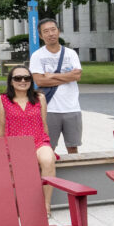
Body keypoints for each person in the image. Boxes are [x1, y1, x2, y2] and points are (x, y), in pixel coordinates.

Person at [0, 65, 56, 215]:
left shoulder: (39, 98)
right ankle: (20, 206)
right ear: (11, 81)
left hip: (38, 141)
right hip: (15, 145)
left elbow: (44, 123)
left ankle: (46, 204)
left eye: (27, 78)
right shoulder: (2, 100)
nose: (23, 81)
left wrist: (48, 145)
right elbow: (2, 128)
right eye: (18, 78)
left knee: (48, 160)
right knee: (19, 169)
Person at [29, 18, 83, 154]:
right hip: (49, 109)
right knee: (48, 147)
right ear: (41, 36)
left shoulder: (71, 54)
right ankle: (48, 174)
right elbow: (40, 81)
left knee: (73, 147)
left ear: (58, 31)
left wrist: (51, 76)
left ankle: (73, 175)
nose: (50, 34)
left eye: (53, 29)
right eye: (46, 31)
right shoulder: (37, 56)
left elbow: (77, 76)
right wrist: (67, 76)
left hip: (72, 108)